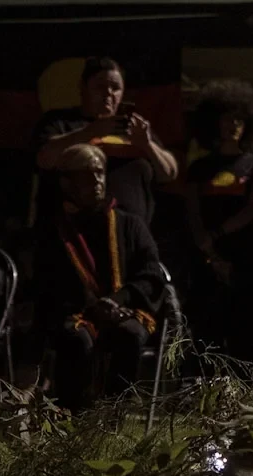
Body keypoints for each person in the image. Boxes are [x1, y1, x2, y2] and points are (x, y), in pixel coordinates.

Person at [37, 145, 167, 410]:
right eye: (86, 174)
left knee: (128, 335)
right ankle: (72, 417)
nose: (97, 180)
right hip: (75, 311)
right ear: (66, 182)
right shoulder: (55, 230)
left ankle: (112, 418)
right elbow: (47, 281)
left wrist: (117, 300)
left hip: (125, 310)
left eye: (100, 172)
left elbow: (152, 273)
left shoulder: (130, 224)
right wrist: (91, 307)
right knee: (75, 339)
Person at [182, 81, 253, 358]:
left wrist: (217, 235)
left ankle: (245, 395)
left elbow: (251, 209)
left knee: (244, 332)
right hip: (205, 257)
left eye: (239, 120)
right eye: (226, 119)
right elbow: (193, 210)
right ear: (213, 123)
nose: (233, 125)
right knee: (207, 333)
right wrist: (208, 249)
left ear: (248, 126)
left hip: (245, 258)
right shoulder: (199, 167)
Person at [34, 58, 177, 226]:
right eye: (100, 86)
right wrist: (91, 131)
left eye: (115, 88)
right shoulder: (60, 122)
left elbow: (169, 173)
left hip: (131, 233)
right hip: (75, 230)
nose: (109, 93)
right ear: (82, 87)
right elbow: (44, 158)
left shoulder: (133, 129)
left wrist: (147, 144)